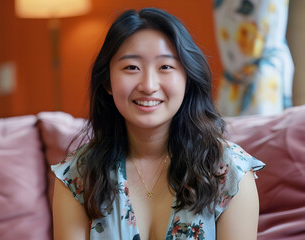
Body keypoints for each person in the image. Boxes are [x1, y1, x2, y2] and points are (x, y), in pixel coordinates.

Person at [51, 8, 265, 240]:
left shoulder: (228, 172)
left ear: (187, 78)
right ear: (107, 82)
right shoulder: (77, 176)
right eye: (132, 67)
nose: (149, 85)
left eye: (165, 67)